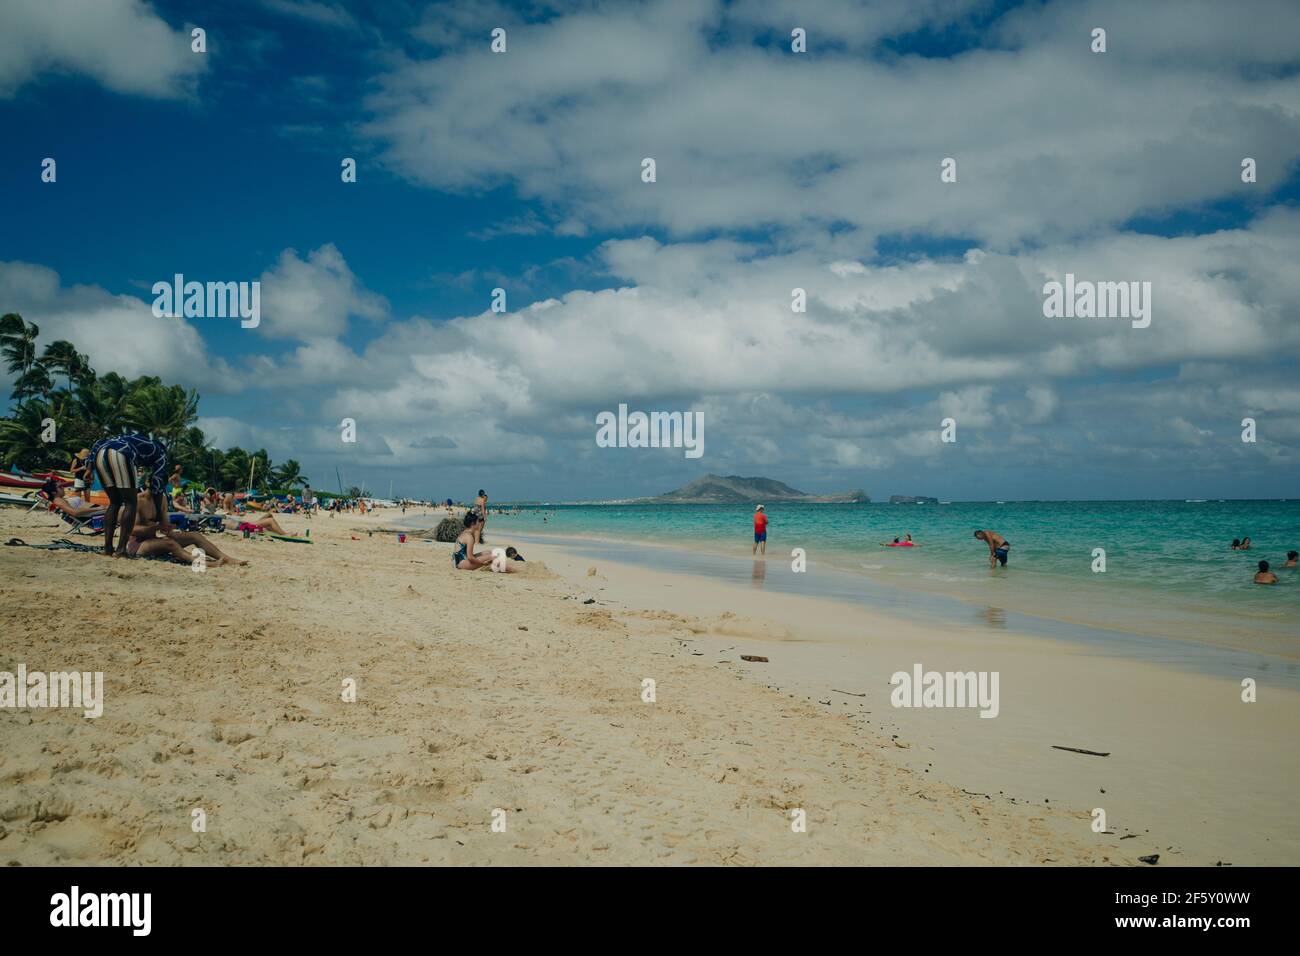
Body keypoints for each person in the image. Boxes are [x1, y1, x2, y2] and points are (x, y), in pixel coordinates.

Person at [88, 432, 169, 558]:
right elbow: (158, 482)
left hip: (100, 453)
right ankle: (121, 550)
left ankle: (108, 549)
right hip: (121, 453)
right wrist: (158, 511)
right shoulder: (160, 453)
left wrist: (89, 468)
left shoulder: (133, 438)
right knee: (131, 502)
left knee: (114, 503)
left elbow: (98, 442)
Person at [130, 490, 247, 566]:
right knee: (169, 543)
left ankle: (227, 558)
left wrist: (169, 529)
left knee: (195, 536)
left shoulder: (162, 499)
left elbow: (167, 531)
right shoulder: (138, 500)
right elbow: (133, 529)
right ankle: (204, 563)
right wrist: (157, 527)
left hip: (153, 540)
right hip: (138, 545)